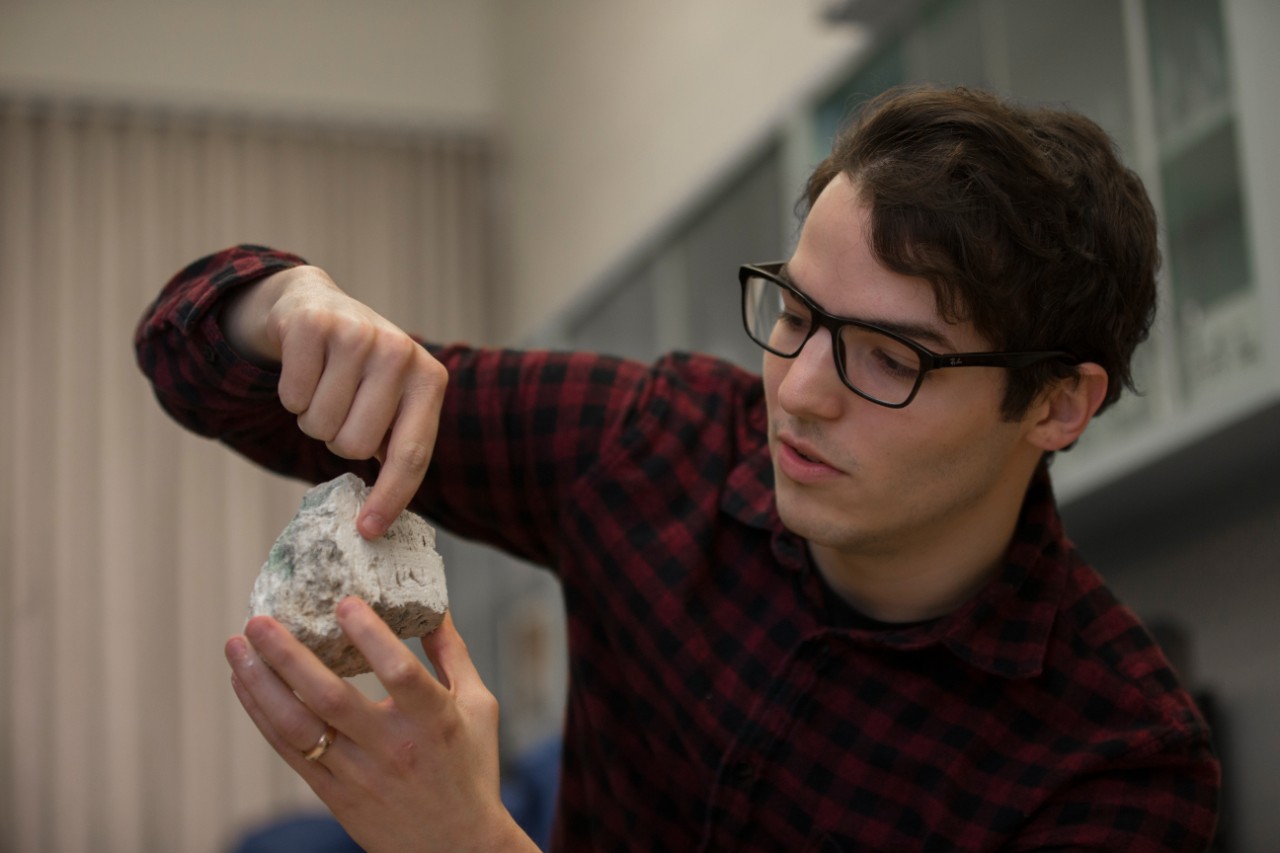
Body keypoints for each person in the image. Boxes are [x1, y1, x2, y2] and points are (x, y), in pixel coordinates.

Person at [135, 85, 1221, 851]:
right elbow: (198, 370)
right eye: (792, 312)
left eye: (888, 357)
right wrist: (286, 305)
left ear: (1056, 402)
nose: (793, 390)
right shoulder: (653, 449)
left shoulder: (1115, 760)